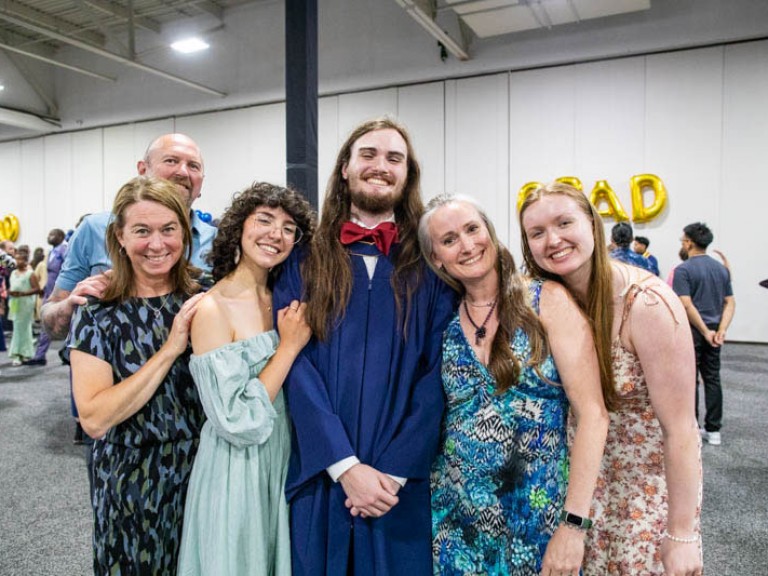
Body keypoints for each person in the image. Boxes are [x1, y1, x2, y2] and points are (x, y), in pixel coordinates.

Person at [272, 118, 456, 575]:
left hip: (400, 483)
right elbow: (296, 365)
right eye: (368, 155)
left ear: (407, 174)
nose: (381, 166)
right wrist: (343, 464)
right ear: (345, 170)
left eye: (395, 158)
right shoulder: (303, 261)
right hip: (324, 475)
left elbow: (440, 373)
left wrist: (392, 472)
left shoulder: (432, 268)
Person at [520, 182, 703, 576]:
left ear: (592, 223)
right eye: (537, 233)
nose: (553, 240)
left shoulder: (646, 303)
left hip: (640, 498)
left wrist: (682, 533)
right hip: (576, 491)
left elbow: (682, 429)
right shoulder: (543, 301)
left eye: (564, 222)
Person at [419, 194, 608, 575]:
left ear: (489, 231)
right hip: (456, 525)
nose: (468, 245)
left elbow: (594, 415)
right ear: (437, 257)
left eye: (473, 229)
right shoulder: (444, 322)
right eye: (450, 239)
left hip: (536, 522)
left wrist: (574, 526)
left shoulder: (545, 301)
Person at [66, 176, 206, 574]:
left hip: (203, 472)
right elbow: (94, 418)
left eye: (169, 229)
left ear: (185, 232)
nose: (157, 244)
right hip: (130, 482)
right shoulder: (97, 313)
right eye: (142, 231)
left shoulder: (207, 297)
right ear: (120, 237)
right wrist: (170, 348)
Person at [177, 183, 315, 575]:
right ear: (239, 228)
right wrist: (287, 348)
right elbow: (237, 420)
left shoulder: (284, 299)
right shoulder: (212, 309)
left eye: (289, 228)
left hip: (281, 460)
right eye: (265, 220)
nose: (276, 234)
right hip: (237, 469)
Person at [41, 132, 216, 340]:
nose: (183, 172)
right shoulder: (94, 229)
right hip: (101, 370)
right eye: (171, 161)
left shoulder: (218, 241)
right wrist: (69, 307)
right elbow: (52, 324)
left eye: (193, 166)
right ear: (143, 170)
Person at [673, 223, 735, 447]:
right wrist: (721, 330)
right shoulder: (721, 269)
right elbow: (729, 302)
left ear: (689, 242)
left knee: (690, 380)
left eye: (682, 240)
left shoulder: (683, 270)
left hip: (693, 332)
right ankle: (714, 429)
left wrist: (704, 331)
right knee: (712, 378)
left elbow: (686, 304)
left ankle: (693, 426)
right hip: (714, 333)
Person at [24, 229, 68, 366]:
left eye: (52, 235)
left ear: (60, 236)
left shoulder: (64, 250)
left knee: (69, 324)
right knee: (46, 322)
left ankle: (68, 352)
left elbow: (68, 271)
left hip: (62, 293)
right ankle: (40, 356)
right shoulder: (51, 252)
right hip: (49, 292)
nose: (49, 237)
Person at [7, 249, 40, 365]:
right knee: (17, 328)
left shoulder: (30, 273)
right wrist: (10, 292)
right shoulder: (13, 273)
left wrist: (22, 294)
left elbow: (37, 289)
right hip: (15, 303)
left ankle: (18, 354)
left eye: (20, 259)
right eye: (16, 259)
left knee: (22, 329)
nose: (17, 261)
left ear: (26, 261)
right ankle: (23, 353)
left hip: (26, 304)